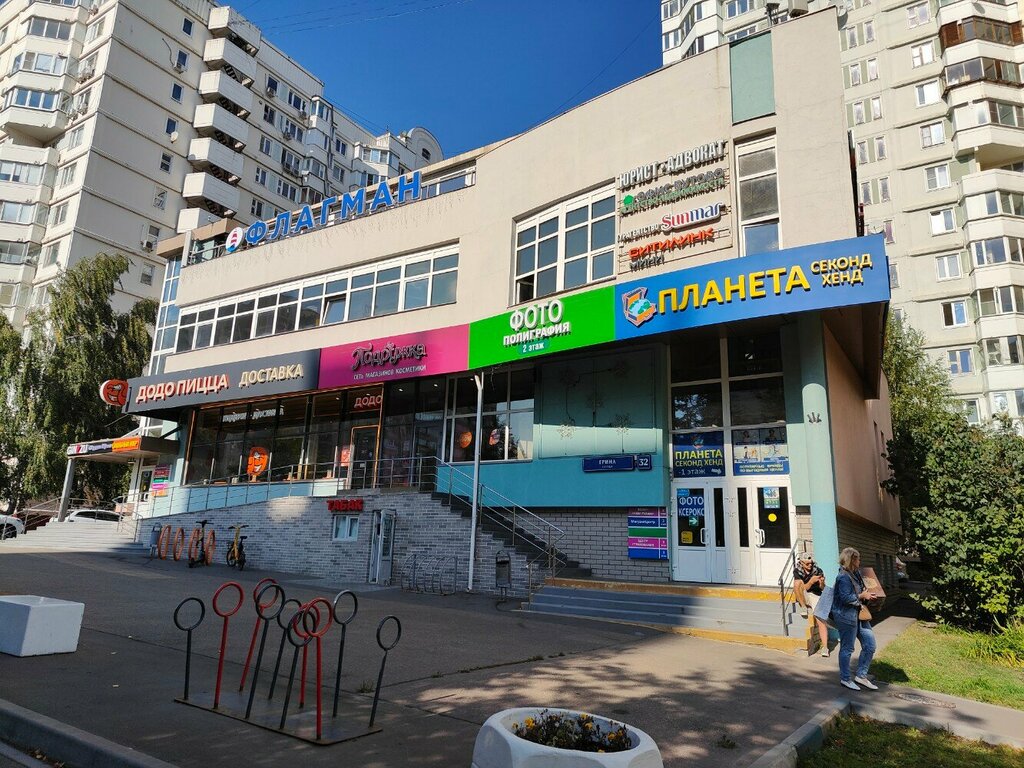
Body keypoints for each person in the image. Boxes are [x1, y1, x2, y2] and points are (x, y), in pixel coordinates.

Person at [833, 547, 879, 691]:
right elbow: (845, 598)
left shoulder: (856, 574)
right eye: (858, 558)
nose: (860, 561)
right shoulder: (843, 577)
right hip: (846, 616)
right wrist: (861, 596)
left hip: (859, 614)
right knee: (847, 648)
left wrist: (868, 595)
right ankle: (845, 679)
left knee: (870, 645)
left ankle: (861, 676)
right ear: (852, 560)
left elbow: (860, 591)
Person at [793, 553, 830, 657]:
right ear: (801, 563)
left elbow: (823, 588)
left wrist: (821, 583)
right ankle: (803, 606)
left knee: (821, 620)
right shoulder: (797, 571)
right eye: (807, 564)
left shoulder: (818, 570)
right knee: (796, 584)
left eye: (811, 563)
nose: (810, 565)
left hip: (816, 595)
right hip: (805, 593)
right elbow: (804, 588)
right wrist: (811, 581)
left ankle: (825, 647)